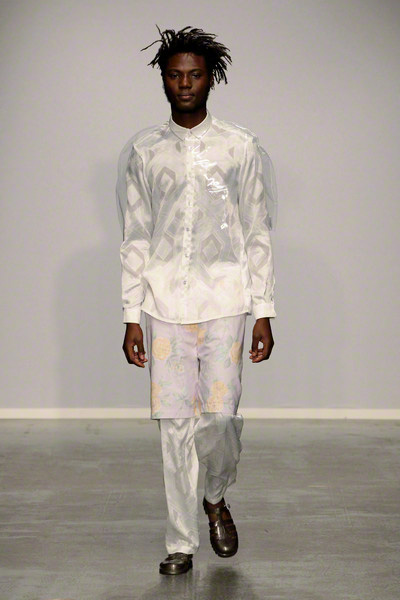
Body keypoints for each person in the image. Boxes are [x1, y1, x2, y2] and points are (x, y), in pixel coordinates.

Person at [116, 25, 278, 576]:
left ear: (211, 79)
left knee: (220, 419)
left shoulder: (240, 147)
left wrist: (264, 310)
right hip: (163, 303)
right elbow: (136, 237)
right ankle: (181, 542)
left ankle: (215, 495)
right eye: (175, 75)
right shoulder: (145, 151)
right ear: (163, 80)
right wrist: (131, 314)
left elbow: (257, 231)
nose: (184, 84)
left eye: (195, 75)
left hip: (227, 299)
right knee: (174, 427)